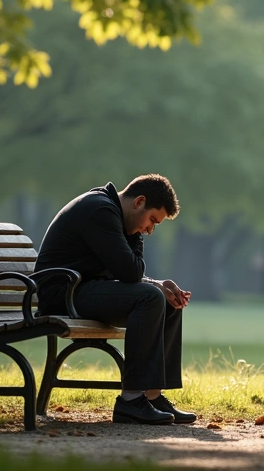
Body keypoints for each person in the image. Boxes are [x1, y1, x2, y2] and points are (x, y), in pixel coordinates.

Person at [34, 174, 195, 425]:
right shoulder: (99, 210)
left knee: (166, 299)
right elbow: (130, 272)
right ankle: (131, 402)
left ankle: (152, 397)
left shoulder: (117, 216)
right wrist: (135, 241)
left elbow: (131, 272)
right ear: (139, 201)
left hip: (85, 288)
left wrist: (158, 284)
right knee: (151, 297)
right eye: (152, 220)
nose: (150, 230)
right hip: (63, 295)